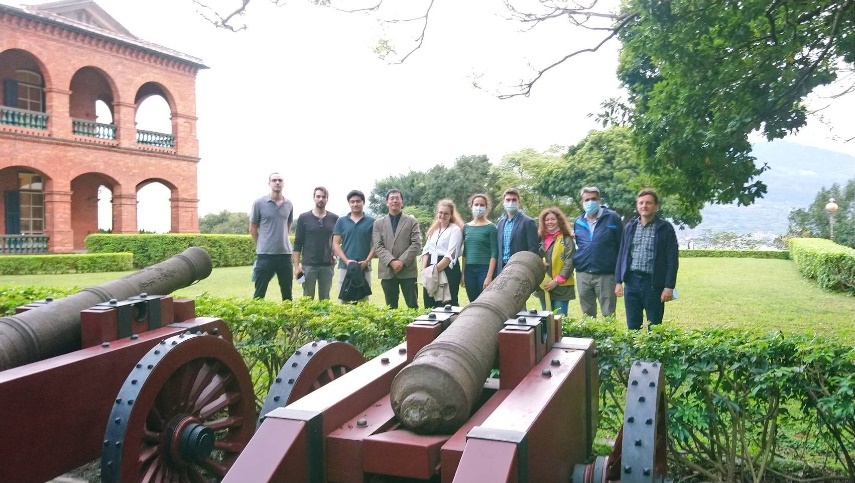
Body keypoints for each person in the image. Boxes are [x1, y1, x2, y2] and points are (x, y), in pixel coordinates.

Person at [615, 188, 679, 330]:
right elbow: (622, 255)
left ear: (656, 206)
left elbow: (672, 260)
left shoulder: (665, 228)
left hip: (653, 284)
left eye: (648, 203)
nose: (644, 206)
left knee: (655, 327)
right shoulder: (630, 227)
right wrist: (618, 281)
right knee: (632, 327)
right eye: (641, 203)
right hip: (631, 283)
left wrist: (669, 286)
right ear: (637, 205)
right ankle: (633, 352)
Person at [573, 186, 623, 318]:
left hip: (606, 274)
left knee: (608, 313)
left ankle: (610, 338)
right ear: (582, 202)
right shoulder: (578, 221)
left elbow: (621, 247)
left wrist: (619, 276)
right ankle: (590, 338)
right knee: (587, 314)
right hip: (583, 273)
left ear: (599, 200)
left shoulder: (612, 218)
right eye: (587, 199)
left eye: (593, 199)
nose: (590, 202)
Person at [373, 189, 422, 309]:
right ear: (386, 202)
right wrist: (391, 261)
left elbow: (416, 244)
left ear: (402, 202)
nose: (394, 200)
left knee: (412, 306)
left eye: (397, 198)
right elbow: (378, 246)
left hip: (408, 270)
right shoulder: (378, 223)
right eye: (391, 198)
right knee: (390, 308)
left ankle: (414, 328)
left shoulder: (411, 221)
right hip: (387, 271)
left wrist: (401, 262)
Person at [249, 172, 294, 300]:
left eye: (280, 180)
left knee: (287, 294)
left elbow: (288, 225)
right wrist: (261, 244)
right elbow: (252, 228)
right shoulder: (259, 203)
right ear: (269, 183)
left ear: (283, 183)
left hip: (285, 255)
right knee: (259, 293)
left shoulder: (289, 204)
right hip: (265, 255)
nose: (277, 182)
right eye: (274, 180)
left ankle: (288, 319)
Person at [293, 187, 339, 300]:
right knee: (307, 299)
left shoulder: (335, 218)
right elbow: (297, 243)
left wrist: (335, 255)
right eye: (318, 196)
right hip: (308, 265)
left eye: (324, 197)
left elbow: (336, 240)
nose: (321, 199)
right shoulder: (303, 218)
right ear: (314, 198)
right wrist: (296, 266)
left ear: (327, 199)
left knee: (325, 299)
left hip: (327, 266)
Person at [332, 190, 375, 303]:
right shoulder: (341, 221)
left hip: (364, 267)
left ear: (363, 202)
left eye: (358, 201)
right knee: (344, 300)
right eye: (352, 202)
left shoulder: (371, 222)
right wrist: (347, 261)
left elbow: (376, 244)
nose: (355, 204)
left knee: (363, 301)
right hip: (345, 267)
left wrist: (367, 261)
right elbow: (335, 243)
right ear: (349, 203)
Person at [421, 199, 464, 307]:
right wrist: (425, 270)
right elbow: (426, 251)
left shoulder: (455, 230)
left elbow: (450, 255)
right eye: (440, 212)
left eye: (446, 213)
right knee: (429, 302)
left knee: (446, 303)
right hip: (431, 267)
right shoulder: (434, 229)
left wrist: (433, 271)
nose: (443, 215)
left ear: (451, 215)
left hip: (446, 268)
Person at [534, 207, 576, 316]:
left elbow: (570, 262)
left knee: (560, 319)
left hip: (561, 286)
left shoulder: (567, 239)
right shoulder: (539, 239)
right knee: (546, 320)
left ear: (559, 220)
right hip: (543, 286)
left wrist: (556, 281)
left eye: (553, 219)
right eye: (547, 220)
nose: (550, 222)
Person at [461, 193, 498, 302]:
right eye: (476, 204)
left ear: (486, 208)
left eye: (482, 205)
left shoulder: (491, 227)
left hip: (484, 269)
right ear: (471, 206)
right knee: (473, 301)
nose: (479, 207)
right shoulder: (466, 227)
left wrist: (489, 276)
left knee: (484, 301)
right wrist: (463, 273)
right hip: (469, 270)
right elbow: (465, 253)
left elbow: (494, 253)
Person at [495, 188, 539, 276]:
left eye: (514, 200)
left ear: (519, 202)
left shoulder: (528, 222)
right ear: (503, 202)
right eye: (508, 200)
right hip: (501, 269)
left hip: (520, 269)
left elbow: (533, 249)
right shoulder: (500, 223)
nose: (511, 202)